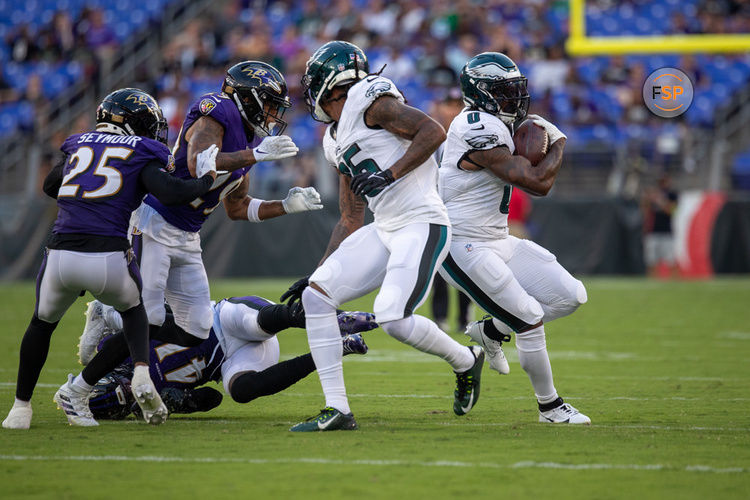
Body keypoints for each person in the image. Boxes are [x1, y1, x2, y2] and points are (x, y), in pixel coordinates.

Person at [59, 61, 324, 427]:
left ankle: (114, 315)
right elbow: (200, 164)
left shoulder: (246, 140)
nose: (272, 114)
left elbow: (237, 208)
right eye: (268, 103)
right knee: (150, 318)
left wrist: (287, 205)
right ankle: (78, 391)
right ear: (247, 97)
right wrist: (256, 155)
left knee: (196, 328)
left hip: (186, 236)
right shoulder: (217, 110)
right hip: (155, 224)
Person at [282, 41, 484, 432]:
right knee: (315, 296)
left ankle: (465, 359)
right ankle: (337, 409)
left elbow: (432, 131)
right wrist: (319, 270)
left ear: (333, 80)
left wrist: (388, 174)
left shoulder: (370, 99)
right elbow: (350, 216)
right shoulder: (332, 138)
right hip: (386, 226)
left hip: (423, 220)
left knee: (392, 317)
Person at [2, 88, 219, 430]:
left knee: (40, 326)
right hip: (108, 257)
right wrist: (208, 178)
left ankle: (20, 409)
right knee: (139, 315)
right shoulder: (141, 151)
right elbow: (171, 193)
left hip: (60, 256)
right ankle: (142, 374)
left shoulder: (79, 144)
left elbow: (49, 186)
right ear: (133, 124)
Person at [438, 52, 590, 424]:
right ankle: (550, 407)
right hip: (461, 244)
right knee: (529, 316)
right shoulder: (474, 125)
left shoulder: (501, 123)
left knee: (571, 296)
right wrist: (559, 144)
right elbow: (537, 183)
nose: (515, 98)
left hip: (497, 238)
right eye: (505, 91)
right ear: (483, 93)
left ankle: (489, 330)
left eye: (515, 89)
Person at [77, 296, 376, 420]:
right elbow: (212, 399)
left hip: (224, 318)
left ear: (115, 376)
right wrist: (177, 402)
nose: (131, 394)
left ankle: (339, 318)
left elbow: (153, 311)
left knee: (258, 323)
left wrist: (109, 314)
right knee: (241, 392)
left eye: (122, 391)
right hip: (233, 358)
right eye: (126, 401)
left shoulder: (123, 350)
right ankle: (337, 348)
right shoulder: (152, 400)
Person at [430, 89, 472, 333]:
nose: (453, 111)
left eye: (458, 105)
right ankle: (440, 317)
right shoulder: (431, 136)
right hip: (436, 207)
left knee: (466, 264)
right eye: (449, 105)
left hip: (463, 209)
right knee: (438, 266)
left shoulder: (466, 138)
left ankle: (465, 317)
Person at [642, 174, 678, 278]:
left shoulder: (672, 195)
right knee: (651, 261)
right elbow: (645, 211)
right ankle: (652, 283)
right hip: (653, 232)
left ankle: (675, 282)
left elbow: (672, 211)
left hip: (667, 232)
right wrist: (647, 199)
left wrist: (659, 201)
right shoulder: (653, 194)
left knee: (671, 260)